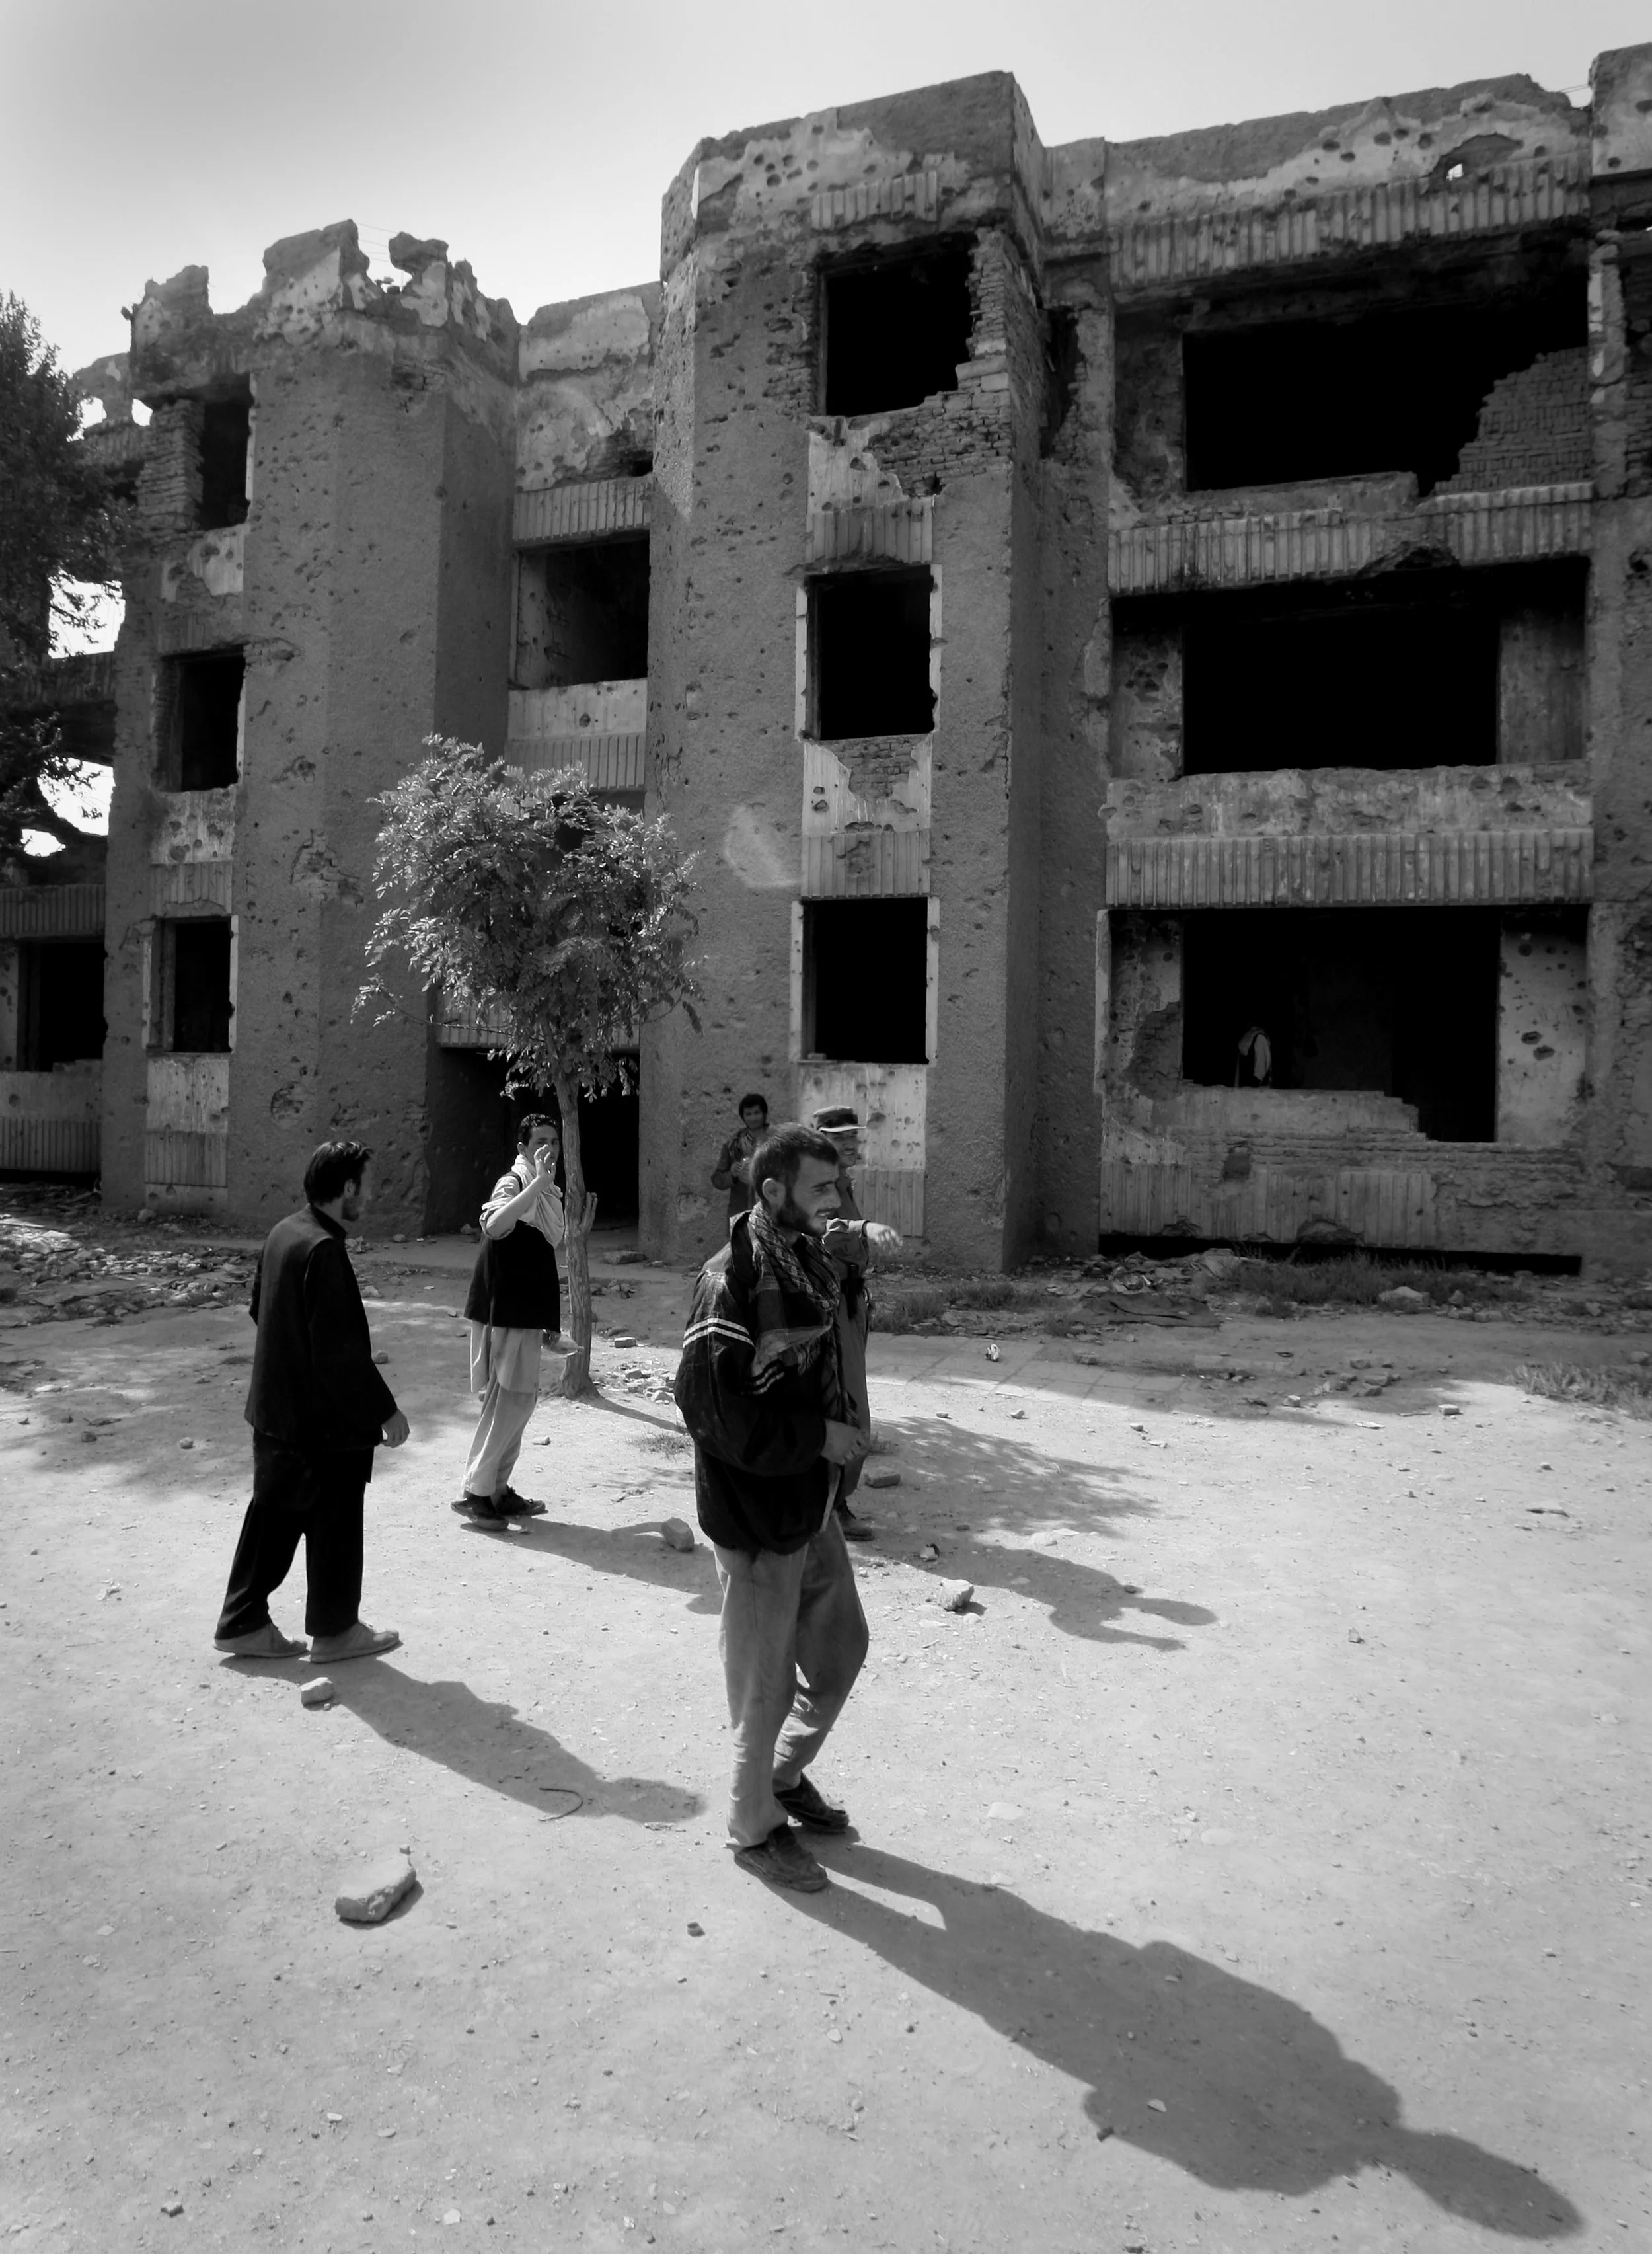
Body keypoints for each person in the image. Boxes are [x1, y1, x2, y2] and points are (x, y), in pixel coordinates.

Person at [673, 1121, 872, 1894]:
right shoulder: (730, 1282)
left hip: (807, 1504)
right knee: (764, 1685)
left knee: (841, 1645)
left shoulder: (806, 1262)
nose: (836, 1200)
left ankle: (781, 1775)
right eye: (821, 1188)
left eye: (837, 1185)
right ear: (771, 1191)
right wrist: (818, 1433)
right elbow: (714, 1414)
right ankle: (753, 1825)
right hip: (756, 1516)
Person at [214, 1140, 408, 1663]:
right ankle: (337, 1631)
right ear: (346, 1188)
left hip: (277, 1412)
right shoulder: (323, 1248)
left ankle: (242, 1621)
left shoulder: (284, 1232)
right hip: (320, 1425)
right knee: (336, 1521)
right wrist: (384, 1411)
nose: (370, 1195)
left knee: (275, 1519)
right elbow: (340, 1353)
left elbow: (263, 1312)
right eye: (366, 1185)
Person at [455, 1112, 593, 1526]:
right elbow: (495, 1226)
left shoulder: (548, 1194)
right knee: (510, 1401)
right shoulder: (515, 1183)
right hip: (506, 1310)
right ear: (523, 1149)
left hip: (525, 1313)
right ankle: (477, 1491)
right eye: (540, 1142)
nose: (548, 1149)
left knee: (520, 1401)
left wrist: (550, 1330)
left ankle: (496, 1489)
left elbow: (538, 1256)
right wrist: (535, 1183)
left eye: (553, 1141)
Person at [810, 1105, 902, 1542]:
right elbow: (827, 1228)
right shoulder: (817, 1187)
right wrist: (866, 1228)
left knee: (847, 1402)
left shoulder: (841, 1182)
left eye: (854, 1136)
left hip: (848, 1305)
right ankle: (833, 1506)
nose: (851, 1143)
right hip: (825, 1308)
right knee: (844, 1409)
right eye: (840, 1137)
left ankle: (832, 1502)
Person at [710, 1093, 769, 1233]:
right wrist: (733, 1175)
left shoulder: (777, 1142)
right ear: (743, 1117)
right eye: (748, 1114)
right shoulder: (733, 1146)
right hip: (742, 1214)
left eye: (757, 1113)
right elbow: (717, 1180)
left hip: (772, 1212)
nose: (753, 1118)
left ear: (764, 1114)